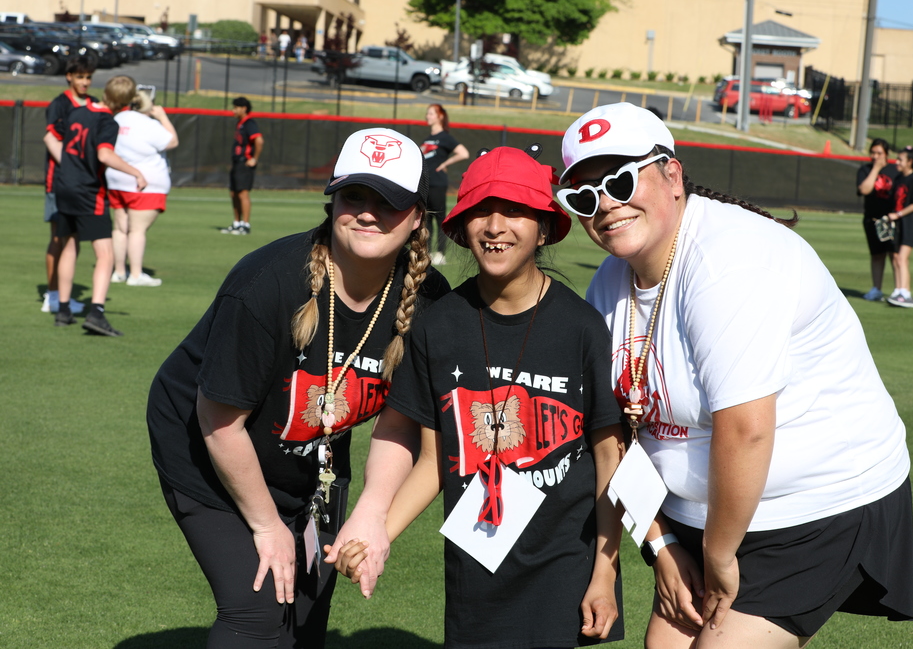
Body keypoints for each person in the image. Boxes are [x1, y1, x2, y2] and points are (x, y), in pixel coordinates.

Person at [558, 103, 913, 648]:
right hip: (698, 519)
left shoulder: (729, 260)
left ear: (672, 175)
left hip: (815, 506)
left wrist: (718, 553)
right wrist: (662, 543)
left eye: (621, 179)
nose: (606, 204)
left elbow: (746, 429)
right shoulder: (608, 286)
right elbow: (615, 436)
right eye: (584, 195)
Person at [146, 127, 448, 648]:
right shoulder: (269, 284)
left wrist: (373, 513)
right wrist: (267, 527)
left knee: (306, 618)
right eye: (355, 196)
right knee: (260, 611)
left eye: (389, 201)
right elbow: (219, 423)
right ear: (333, 200)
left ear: (418, 215)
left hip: (315, 458)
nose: (368, 213)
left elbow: (400, 416)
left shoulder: (427, 298)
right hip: (210, 447)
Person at [330, 146, 626, 648]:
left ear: (544, 228)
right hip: (476, 557)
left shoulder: (581, 327)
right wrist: (376, 534)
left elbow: (608, 454)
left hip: (562, 559)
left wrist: (604, 570)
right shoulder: (438, 325)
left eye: (514, 211)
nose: (495, 226)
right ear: (462, 226)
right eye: (481, 212)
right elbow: (432, 460)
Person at [52, 75, 148, 337]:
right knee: (105, 254)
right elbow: (105, 154)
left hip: (64, 185)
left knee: (69, 246)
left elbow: (54, 138)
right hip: (87, 191)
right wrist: (135, 172)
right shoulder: (107, 121)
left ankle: (63, 310)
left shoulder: (78, 111)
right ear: (127, 103)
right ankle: (96, 313)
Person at [41, 55, 96, 315]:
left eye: (88, 77)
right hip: (60, 181)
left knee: (74, 241)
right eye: (80, 76)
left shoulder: (94, 104)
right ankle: (52, 295)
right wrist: (74, 166)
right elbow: (51, 138)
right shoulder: (59, 104)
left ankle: (61, 295)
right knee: (58, 237)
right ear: (69, 77)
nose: (85, 82)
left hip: (84, 185)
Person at [107, 88, 179, 287]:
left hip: (116, 180)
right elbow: (172, 141)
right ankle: (136, 274)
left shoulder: (118, 118)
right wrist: (162, 117)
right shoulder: (148, 124)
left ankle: (119, 271)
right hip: (145, 183)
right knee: (137, 230)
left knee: (120, 229)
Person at [419, 103, 469, 265]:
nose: (428, 116)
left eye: (431, 113)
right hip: (425, 183)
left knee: (439, 219)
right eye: (427, 113)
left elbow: (463, 153)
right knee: (426, 219)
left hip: (438, 183)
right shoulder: (428, 138)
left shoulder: (445, 137)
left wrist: (445, 164)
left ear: (439, 116)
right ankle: (425, 252)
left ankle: (440, 253)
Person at [856, 138, 898, 301]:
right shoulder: (865, 170)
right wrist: (876, 169)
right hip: (872, 219)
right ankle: (876, 289)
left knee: (894, 255)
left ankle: (898, 290)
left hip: (892, 220)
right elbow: (865, 190)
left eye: (879, 153)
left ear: (887, 154)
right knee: (877, 255)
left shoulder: (895, 170)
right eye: (872, 152)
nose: (875, 156)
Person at [885, 146, 913, 308]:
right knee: (896, 258)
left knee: (902, 258)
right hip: (898, 224)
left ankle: (906, 293)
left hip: (911, 224)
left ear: (910, 162)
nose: (897, 162)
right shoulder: (899, 178)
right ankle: (898, 290)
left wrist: (898, 214)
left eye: (900, 159)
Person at [223, 96, 264, 236]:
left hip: (244, 163)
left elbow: (259, 141)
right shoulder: (240, 123)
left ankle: (245, 225)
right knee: (233, 193)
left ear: (244, 108)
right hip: (237, 163)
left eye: (236, 107)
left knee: (242, 193)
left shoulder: (249, 123)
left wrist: (254, 158)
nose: (233, 110)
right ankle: (237, 223)